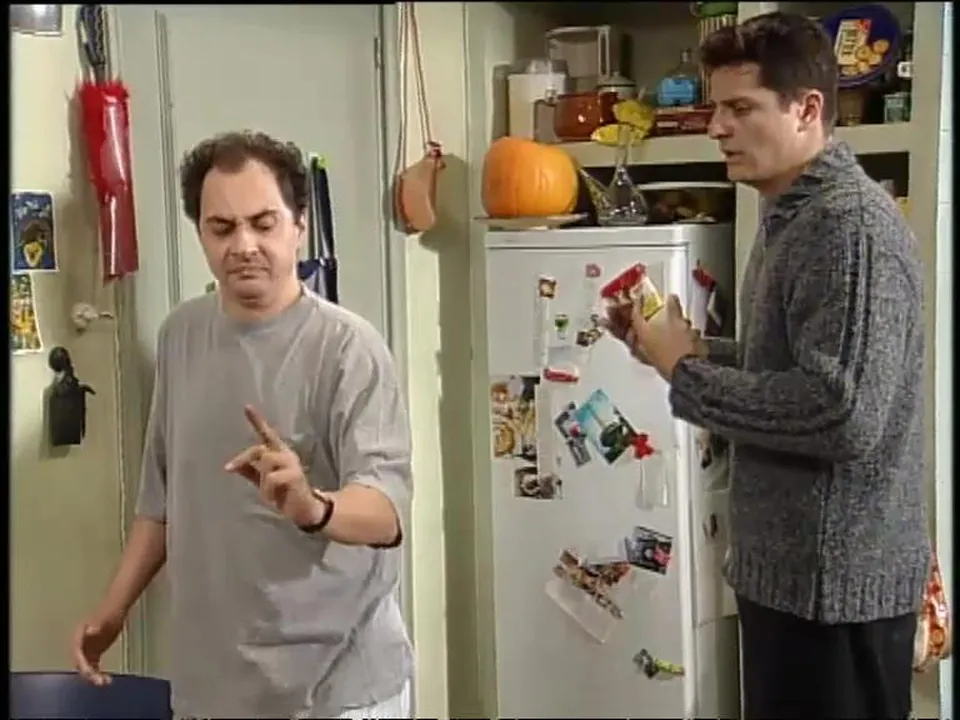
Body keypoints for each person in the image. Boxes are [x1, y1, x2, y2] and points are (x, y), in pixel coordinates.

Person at [607, 12, 927, 720]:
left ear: (807, 109)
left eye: (741, 108)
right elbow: (783, 367)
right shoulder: (793, 216)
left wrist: (687, 373)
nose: (716, 127)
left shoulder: (848, 227)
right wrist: (679, 350)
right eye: (715, 108)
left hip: (833, 597)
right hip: (791, 583)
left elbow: (841, 412)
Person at [71, 131, 414, 719]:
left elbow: (386, 513)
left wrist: (313, 507)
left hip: (335, 689)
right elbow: (161, 503)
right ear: (201, 234)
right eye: (222, 228)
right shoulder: (181, 336)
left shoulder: (347, 348)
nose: (244, 245)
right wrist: (113, 610)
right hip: (213, 688)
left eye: (263, 223)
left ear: (299, 225)